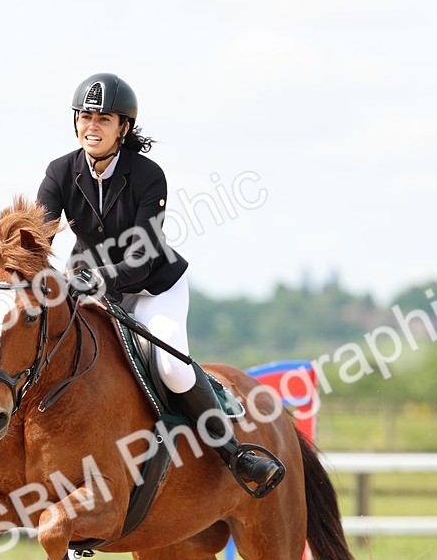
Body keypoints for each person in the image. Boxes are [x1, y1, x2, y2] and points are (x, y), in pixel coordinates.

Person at [36, 71, 284, 497]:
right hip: (89, 288)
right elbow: (39, 235)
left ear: (123, 128)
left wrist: (96, 278)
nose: (91, 127)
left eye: (104, 119)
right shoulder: (60, 171)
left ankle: (235, 453)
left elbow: (142, 250)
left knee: (170, 366)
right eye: (85, 117)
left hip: (151, 288)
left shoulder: (149, 175)